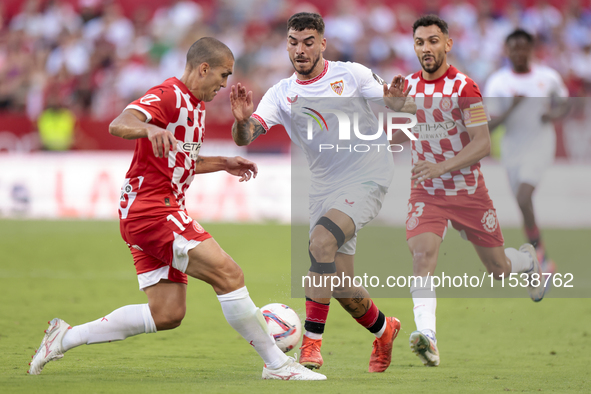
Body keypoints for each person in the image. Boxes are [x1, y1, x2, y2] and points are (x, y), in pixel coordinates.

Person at [28, 37, 326, 381]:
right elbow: (120, 123)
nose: (224, 84)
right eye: (223, 75)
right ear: (204, 68)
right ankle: (277, 365)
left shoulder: (194, 106)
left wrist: (222, 162)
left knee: (167, 313)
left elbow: (181, 159)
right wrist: (148, 126)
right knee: (229, 275)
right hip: (152, 210)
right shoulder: (169, 95)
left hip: (146, 211)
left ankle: (63, 338)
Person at [230, 12, 414, 373]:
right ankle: (384, 330)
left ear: (322, 43)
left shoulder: (352, 74)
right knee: (341, 284)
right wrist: (240, 122)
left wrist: (396, 100)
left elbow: (394, 103)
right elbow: (247, 136)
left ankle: (311, 346)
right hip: (324, 186)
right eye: (293, 42)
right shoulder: (281, 94)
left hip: (368, 174)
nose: (300, 50)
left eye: (308, 42)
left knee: (319, 244)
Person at [390, 15, 544, 367]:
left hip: (468, 192)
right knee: (421, 258)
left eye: (432, 41)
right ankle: (427, 337)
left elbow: (483, 144)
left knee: (499, 268)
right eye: (419, 42)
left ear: (448, 44)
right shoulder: (410, 86)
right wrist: (392, 116)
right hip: (426, 190)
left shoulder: (465, 87)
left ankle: (527, 261)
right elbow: (404, 131)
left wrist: (442, 166)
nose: (426, 48)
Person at [484, 29, 569, 283]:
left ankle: (540, 255)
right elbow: (489, 125)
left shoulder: (547, 77)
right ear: (507, 50)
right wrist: (512, 106)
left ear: (531, 50)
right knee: (523, 204)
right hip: (511, 149)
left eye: (523, 47)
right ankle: (542, 258)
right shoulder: (498, 82)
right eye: (514, 47)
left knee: (524, 196)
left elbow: (564, 102)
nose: (519, 52)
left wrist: (553, 115)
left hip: (540, 143)